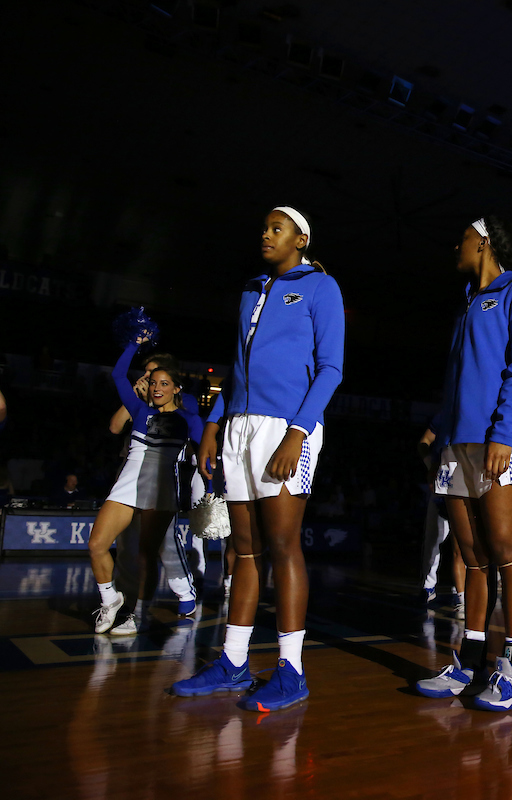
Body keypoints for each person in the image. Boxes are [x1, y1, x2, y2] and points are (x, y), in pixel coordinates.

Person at [172, 206, 345, 712]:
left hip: (287, 427)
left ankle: (291, 671)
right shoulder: (252, 288)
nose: (265, 235)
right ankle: (233, 662)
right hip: (239, 426)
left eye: (277, 229)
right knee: (243, 551)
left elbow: (331, 369)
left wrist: (298, 431)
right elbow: (236, 366)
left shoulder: (321, 288)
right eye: (264, 228)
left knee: (284, 546)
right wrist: (211, 427)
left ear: (302, 239)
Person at [415, 215, 512, 711]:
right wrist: (437, 440)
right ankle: (468, 659)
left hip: (498, 441)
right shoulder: (467, 304)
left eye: (463, 238)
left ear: (485, 242)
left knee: (509, 551)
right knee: (471, 557)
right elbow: (456, 381)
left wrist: (506, 433)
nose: (457, 245)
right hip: (457, 444)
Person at [87, 331, 204, 637]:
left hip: (161, 489)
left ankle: (135, 616)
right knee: (97, 543)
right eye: (153, 382)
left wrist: (213, 485)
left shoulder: (189, 418)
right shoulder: (139, 409)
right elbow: (117, 374)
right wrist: (134, 345)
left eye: (164, 383)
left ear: (176, 388)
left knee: (146, 556)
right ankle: (110, 600)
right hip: (128, 483)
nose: (156, 387)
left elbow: (206, 452)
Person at [109, 350, 200, 617]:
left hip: (163, 475)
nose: (148, 379)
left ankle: (184, 591)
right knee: (126, 541)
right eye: (146, 375)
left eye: (154, 375)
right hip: (130, 469)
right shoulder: (138, 400)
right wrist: (137, 397)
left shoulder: (185, 401)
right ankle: (127, 596)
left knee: (165, 541)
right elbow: (115, 427)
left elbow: (191, 427)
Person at [418, 426, 466, 618]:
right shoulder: (445, 415)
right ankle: (428, 586)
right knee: (434, 540)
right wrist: (431, 465)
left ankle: (460, 592)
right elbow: (423, 442)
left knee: (462, 545)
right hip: (444, 481)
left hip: (466, 479)